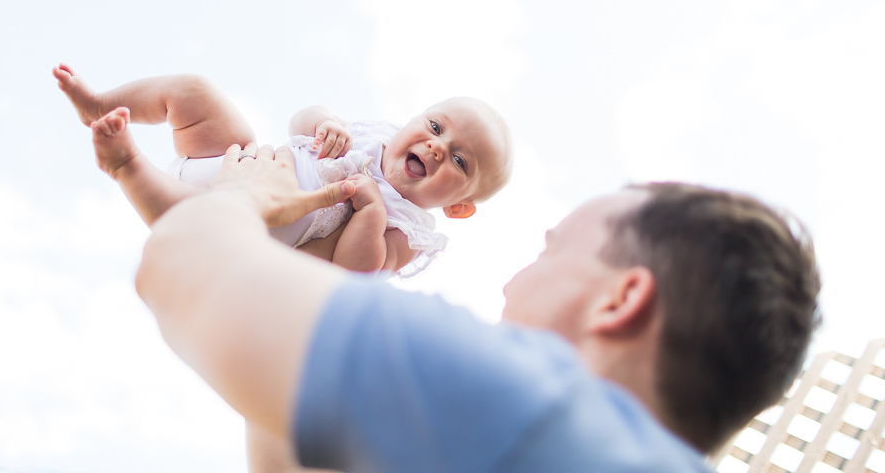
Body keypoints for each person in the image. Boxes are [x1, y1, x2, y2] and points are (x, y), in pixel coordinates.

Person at [134, 143, 822, 472]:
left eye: (551, 253)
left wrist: (244, 195)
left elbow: (181, 267)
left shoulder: (540, 407)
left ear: (622, 299)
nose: (511, 283)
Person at [53, 64, 512, 277]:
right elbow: (301, 121)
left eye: (458, 160)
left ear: (459, 207)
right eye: (435, 127)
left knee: (198, 219)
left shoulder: (409, 228)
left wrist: (370, 211)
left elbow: (357, 270)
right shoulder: (375, 137)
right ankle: (98, 105)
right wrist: (325, 123)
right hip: (242, 157)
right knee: (194, 91)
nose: (435, 147)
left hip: (247, 226)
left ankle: (127, 165)